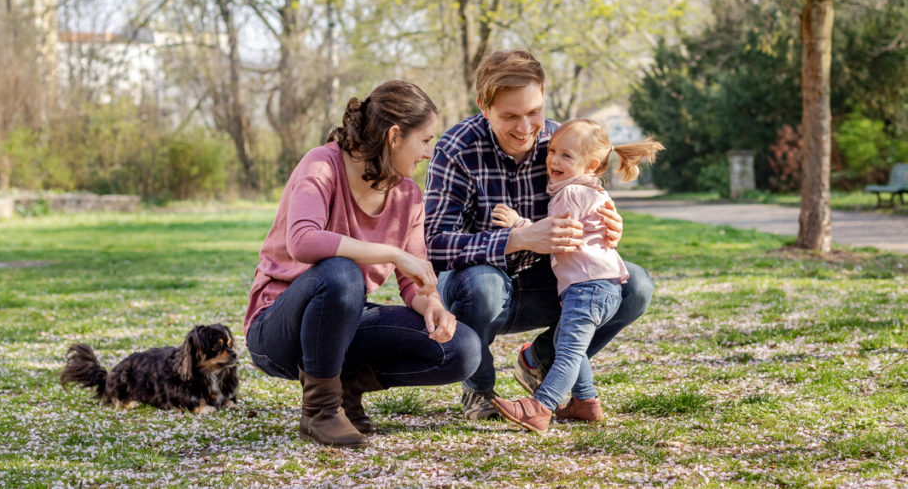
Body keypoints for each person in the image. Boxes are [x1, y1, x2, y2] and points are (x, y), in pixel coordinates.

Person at [244, 80, 482, 447]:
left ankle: (344, 391)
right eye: (424, 140)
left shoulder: (409, 196)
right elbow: (303, 241)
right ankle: (320, 412)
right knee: (340, 272)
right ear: (394, 136)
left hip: (342, 321)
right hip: (277, 328)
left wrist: (432, 305)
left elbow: (412, 281)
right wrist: (391, 253)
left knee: (462, 348)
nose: (427, 152)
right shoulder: (322, 165)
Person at [424, 49, 655, 422]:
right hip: (478, 286)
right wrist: (517, 239)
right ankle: (479, 389)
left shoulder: (565, 142)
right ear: (484, 107)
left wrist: (611, 227)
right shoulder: (457, 150)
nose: (525, 127)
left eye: (534, 112)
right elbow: (433, 243)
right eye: (509, 116)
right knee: (483, 286)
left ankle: (540, 360)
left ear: (544, 95)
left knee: (636, 285)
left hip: (549, 283)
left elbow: (590, 203)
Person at [489, 119, 663, 431]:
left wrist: (518, 224)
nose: (553, 160)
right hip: (604, 285)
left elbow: (552, 236)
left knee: (568, 350)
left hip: (587, 287)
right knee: (568, 342)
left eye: (566, 156)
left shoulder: (570, 194)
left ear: (591, 164)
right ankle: (586, 402)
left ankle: (539, 408)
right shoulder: (593, 190)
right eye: (552, 151)